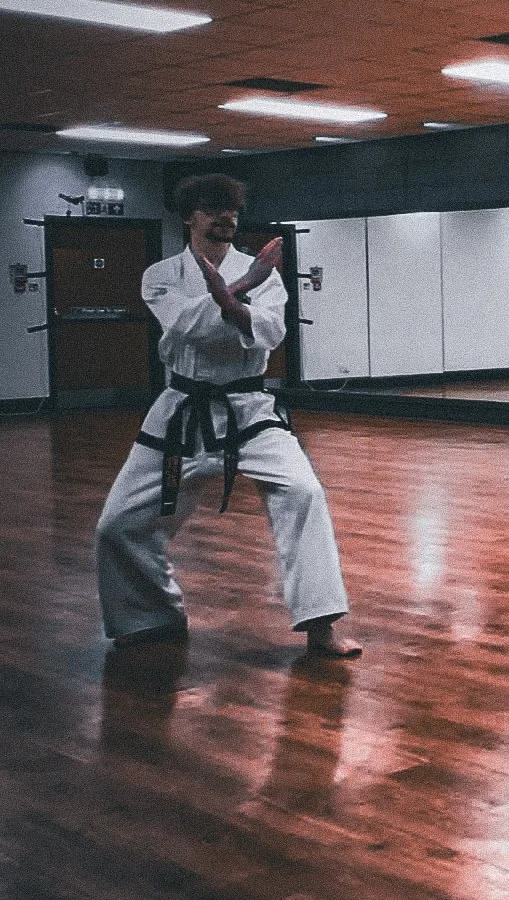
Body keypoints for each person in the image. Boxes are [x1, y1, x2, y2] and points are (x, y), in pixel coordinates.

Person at [95, 173, 360, 654]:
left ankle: (321, 624)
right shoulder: (161, 276)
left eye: (233, 210)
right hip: (180, 410)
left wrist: (231, 296)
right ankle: (151, 615)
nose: (227, 218)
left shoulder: (266, 272)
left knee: (303, 492)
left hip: (248, 407)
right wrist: (240, 290)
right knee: (117, 524)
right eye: (214, 209)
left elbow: (271, 331)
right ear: (188, 217)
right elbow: (185, 326)